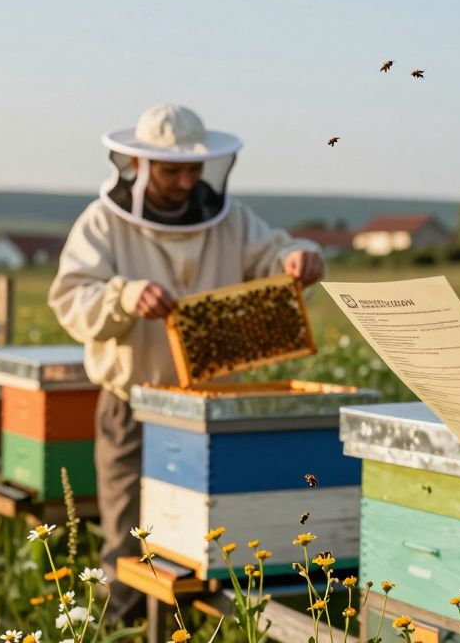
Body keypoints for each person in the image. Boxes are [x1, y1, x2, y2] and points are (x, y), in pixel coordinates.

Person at [48, 103, 324, 622]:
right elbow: (70, 300)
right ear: (138, 165)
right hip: (133, 403)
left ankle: (188, 627)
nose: (185, 181)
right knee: (129, 536)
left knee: (207, 536)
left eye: (192, 169)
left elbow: (274, 256)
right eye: (171, 171)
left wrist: (298, 257)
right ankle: (122, 626)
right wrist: (124, 296)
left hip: (212, 407)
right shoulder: (103, 222)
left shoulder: (231, 219)